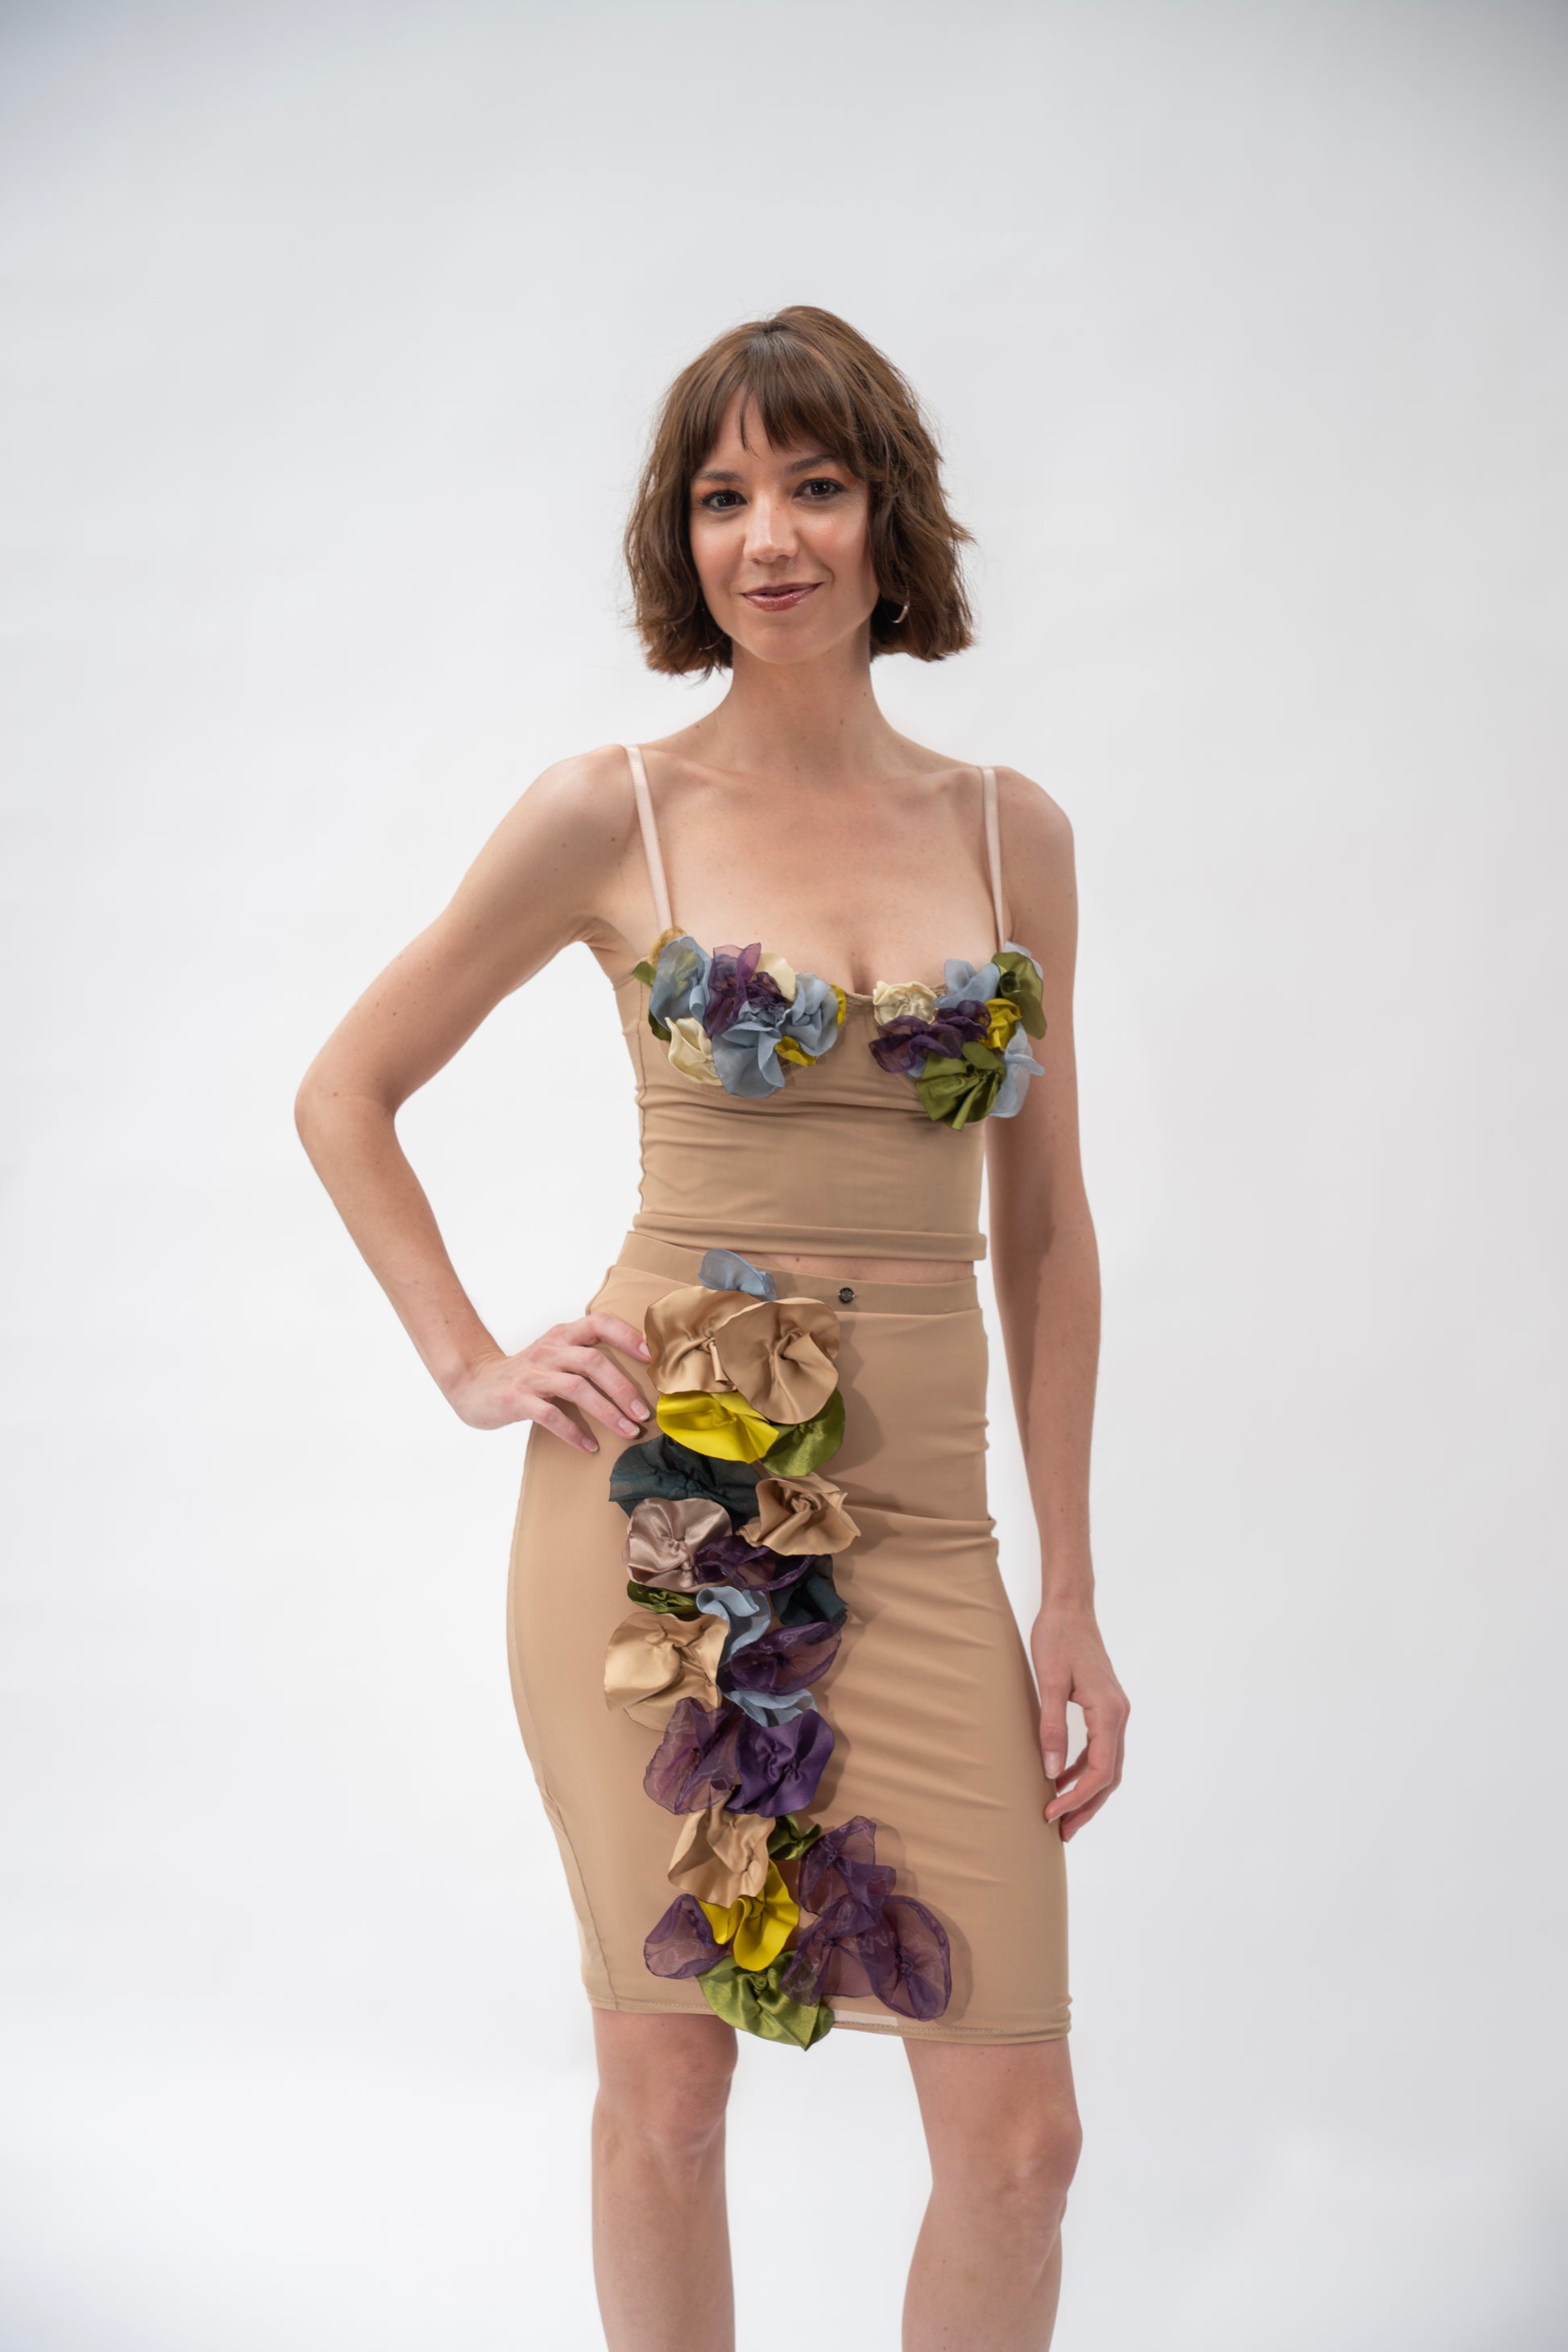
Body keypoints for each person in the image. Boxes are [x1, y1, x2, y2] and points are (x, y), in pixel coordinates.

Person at [296, 305, 1129, 2352]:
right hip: (660, 1510)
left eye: (815, 485)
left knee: (1021, 2141)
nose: (770, 536)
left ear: (887, 516)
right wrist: (473, 1359)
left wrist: (1070, 1588)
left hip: (927, 1522)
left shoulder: (1012, 832)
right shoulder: (614, 810)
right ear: (680, 536)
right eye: (722, 493)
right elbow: (345, 1090)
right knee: (666, 2087)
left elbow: (1043, 1234)